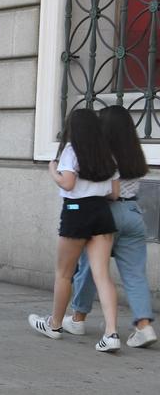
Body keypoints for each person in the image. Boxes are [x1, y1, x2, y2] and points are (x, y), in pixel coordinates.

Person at [29, 108, 121, 351]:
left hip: (76, 212)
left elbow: (68, 183)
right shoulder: (108, 153)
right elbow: (115, 193)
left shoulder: (71, 150)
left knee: (64, 273)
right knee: (102, 275)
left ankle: (55, 324)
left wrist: (53, 171)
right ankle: (111, 334)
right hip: (102, 212)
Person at [67, 105, 156, 348]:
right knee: (135, 274)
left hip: (107, 215)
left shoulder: (103, 155)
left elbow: (103, 190)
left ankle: (78, 317)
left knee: (90, 269)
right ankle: (144, 326)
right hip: (134, 214)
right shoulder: (135, 152)